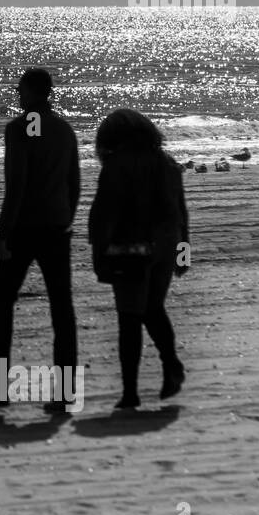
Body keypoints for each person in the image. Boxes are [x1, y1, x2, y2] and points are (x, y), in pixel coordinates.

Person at [0, 68, 80, 409]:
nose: (17, 93)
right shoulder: (64, 130)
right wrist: (65, 216)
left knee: (3, 304)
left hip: (24, 228)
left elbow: (15, 185)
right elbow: (74, 182)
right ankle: (65, 392)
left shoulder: (19, 129)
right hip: (57, 227)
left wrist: (4, 233)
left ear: (32, 92)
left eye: (21, 88)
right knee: (62, 308)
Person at [87, 109, 188, 409]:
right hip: (167, 246)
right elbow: (181, 213)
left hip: (130, 247)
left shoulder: (116, 165)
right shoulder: (168, 164)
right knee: (154, 308)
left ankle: (130, 391)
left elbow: (105, 215)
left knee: (129, 317)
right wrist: (184, 253)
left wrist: (99, 253)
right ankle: (171, 364)